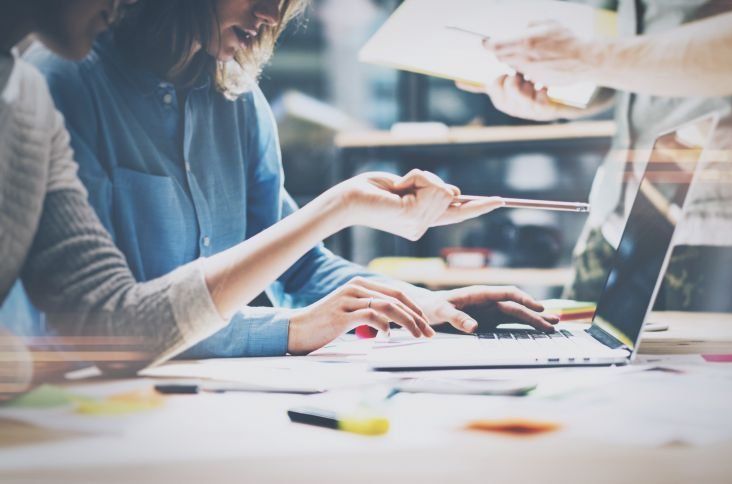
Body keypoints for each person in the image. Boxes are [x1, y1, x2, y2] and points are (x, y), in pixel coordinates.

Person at [0, 0, 538, 399]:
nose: (268, 15)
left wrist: (424, 305)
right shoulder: (57, 84)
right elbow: (92, 327)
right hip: (84, 403)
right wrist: (293, 330)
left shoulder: (236, 99)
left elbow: (298, 268)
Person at [462, 0, 732, 312]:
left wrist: (587, 58)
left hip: (725, 227)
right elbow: (626, 56)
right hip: (616, 213)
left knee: (713, 384)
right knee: (573, 370)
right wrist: (556, 93)